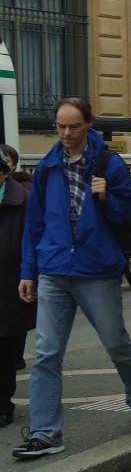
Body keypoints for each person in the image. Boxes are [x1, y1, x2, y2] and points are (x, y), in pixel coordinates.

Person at [12, 97, 131, 459]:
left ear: (88, 124)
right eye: (60, 126)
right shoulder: (47, 167)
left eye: (74, 126)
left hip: (96, 270)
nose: (66, 133)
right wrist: (29, 271)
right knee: (46, 353)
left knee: (116, 343)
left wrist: (107, 198)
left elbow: (129, 216)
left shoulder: (110, 164)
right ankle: (45, 434)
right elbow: (35, 225)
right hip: (54, 270)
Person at [0, 154, 32, 429]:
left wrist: (29, 275)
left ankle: (2, 405)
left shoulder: (24, 200)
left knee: (6, 349)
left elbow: (35, 240)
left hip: (10, 283)